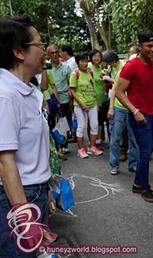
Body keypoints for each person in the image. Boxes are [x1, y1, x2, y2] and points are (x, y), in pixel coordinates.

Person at [0, 15, 57, 257]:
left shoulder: (31, 91)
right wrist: (25, 216)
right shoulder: (5, 95)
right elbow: (5, 161)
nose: (45, 51)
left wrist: (47, 190)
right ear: (19, 52)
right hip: (17, 199)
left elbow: (34, 151)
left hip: (36, 193)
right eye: (40, 45)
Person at [115, 31, 153, 203]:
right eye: (148, 46)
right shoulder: (131, 66)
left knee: (148, 151)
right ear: (140, 46)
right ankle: (145, 187)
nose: (152, 49)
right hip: (139, 116)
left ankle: (137, 183)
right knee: (145, 152)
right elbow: (119, 92)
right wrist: (135, 111)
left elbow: (152, 91)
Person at [106, 50, 139, 175]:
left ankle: (133, 164)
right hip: (119, 108)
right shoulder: (123, 71)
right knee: (115, 137)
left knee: (134, 139)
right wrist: (111, 108)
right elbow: (114, 90)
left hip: (133, 109)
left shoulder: (141, 72)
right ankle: (114, 165)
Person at [69, 52, 104, 158]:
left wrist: (96, 103)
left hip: (92, 103)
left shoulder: (90, 72)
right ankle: (81, 149)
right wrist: (82, 103)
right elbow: (72, 90)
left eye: (86, 61)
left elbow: (92, 87)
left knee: (94, 125)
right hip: (80, 105)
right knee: (81, 126)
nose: (84, 63)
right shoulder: (75, 74)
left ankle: (92, 146)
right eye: (82, 61)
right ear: (78, 63)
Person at [47, 45, 73, 143]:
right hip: (51, 99)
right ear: (48, 55)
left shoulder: (66, 68)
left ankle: (64, 143)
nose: (55, 55)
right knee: (52, 122)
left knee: (65, 121)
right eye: (52, 53)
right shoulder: (46, 68)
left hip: (65, 98)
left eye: (56, 52)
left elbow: (71, 84)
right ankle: (55, 144)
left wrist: (71, 99)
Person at [89, 49, 109, 145]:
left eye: (99, 56)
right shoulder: (89, 67)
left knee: (100, 119)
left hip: (103, 98)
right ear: (91, 57)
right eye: (95, 56)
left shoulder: (102, 68)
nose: (97, 58)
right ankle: (92, 141)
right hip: (93, 98)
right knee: (93, 120)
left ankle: (98, 140)